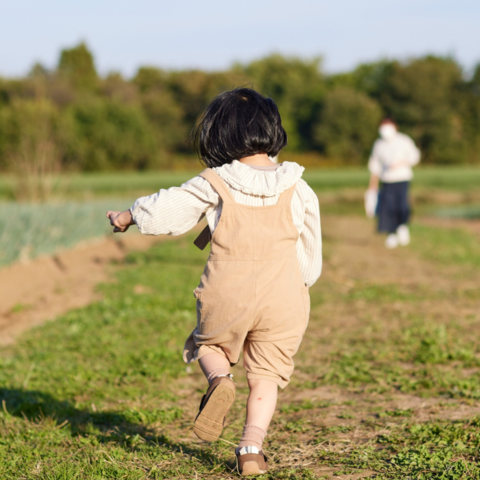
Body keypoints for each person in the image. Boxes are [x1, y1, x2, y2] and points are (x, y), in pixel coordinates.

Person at [106, 88, 322, 476]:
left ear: (219, 135)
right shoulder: (298, 185)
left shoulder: (216, 181)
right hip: (285, 293)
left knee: (209, 344)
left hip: (229, 285)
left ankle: (219, 379)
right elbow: (310, 249)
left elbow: (168, 209)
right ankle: (251, 449)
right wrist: (300, 283)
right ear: (272, 130)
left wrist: (128, 216)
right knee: (267, 375)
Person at [366, 118, 421, 248]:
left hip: (402, 178)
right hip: (387, 180)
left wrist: (400, 163)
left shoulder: (404, 140)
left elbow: (415, 156)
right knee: (388, 208)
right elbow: (375, 165)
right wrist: (373, 184)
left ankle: (402, 226)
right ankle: (391, 233)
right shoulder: (379, 144)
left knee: (402, 206)